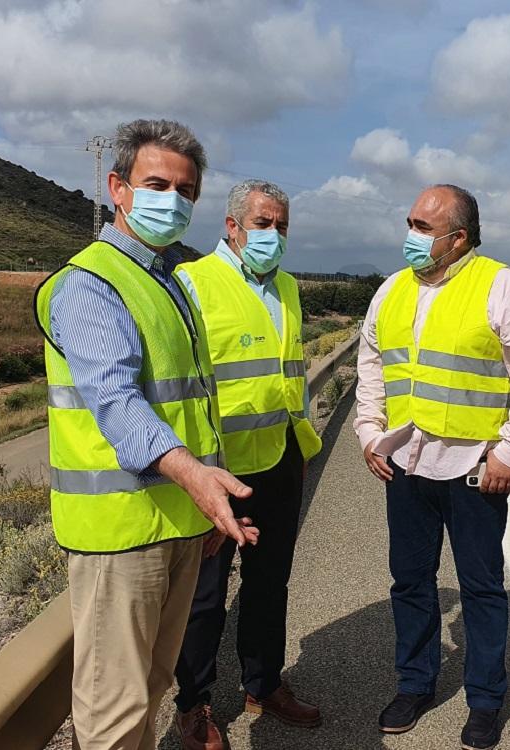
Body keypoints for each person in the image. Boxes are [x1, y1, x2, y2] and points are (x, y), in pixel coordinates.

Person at [33, 119, 258, 750]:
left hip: (178, 520)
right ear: (118, 188)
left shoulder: (166, 280)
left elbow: (195, 406)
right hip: (121, 534)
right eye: (157, 183)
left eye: (186, 191)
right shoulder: (93, 282)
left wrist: (204, 506)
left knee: (153, 685)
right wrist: (195, 478)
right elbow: (117, 403)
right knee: (116, 708)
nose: (174, 200)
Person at [355, 184, 510, 750]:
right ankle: (415, 684)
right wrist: (370, 432)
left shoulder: (501, 286)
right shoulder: (391, 290)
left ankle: (485, 700)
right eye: (410, 222)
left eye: (422, 226)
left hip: (473, 468)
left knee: (482, 587)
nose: (410, 236)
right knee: (411, 582)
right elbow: (372, 363)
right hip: (407, 465)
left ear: (457, 237)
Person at [170, 180, 324, 749]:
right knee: (205, 594)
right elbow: (184, 387)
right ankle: (195, 705)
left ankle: (264, 683)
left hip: (279, 460)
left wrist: (301, 448)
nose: (274, 234)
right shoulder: (193, 283)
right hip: (217, 468)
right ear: (232, 227)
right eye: (263, 223)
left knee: (269, 583)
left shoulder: (286, 286)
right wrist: (194, 472)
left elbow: (292, 377)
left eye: (282, 225)